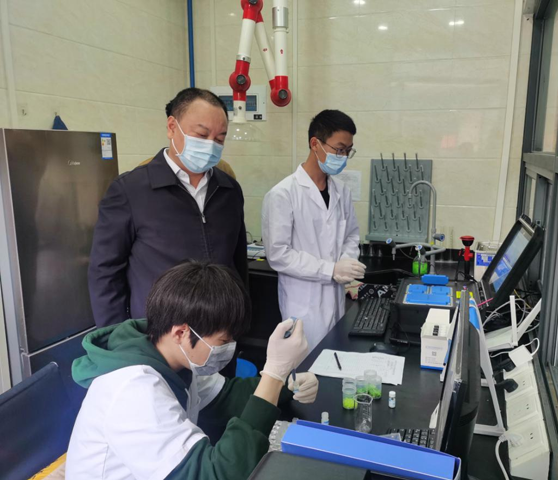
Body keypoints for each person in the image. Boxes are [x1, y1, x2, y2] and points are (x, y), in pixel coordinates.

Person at [66, 260, 318, 479]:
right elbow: (214, 474)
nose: (230, 348)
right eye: (223, 341)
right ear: (181, 333)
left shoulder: (172, 358)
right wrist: (273, 373)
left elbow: (226, 397)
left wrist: (285, 383)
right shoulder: (133, 390)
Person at [89, 88, 248, 328]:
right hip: (158, 335)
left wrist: (241, 320)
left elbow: (238, 263)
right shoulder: (130, 190)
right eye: (201, 135)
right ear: (172, 127)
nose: (210, 146)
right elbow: (105, 273)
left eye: (219, 139)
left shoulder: (229, 190)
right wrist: (118, 336)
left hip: (219, 330)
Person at [262, 110, 365, 352]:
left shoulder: (341, 191)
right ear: (315, 144)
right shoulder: (283, 194)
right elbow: (278, 255)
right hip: (303, 304)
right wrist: (330, 270)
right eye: (339, 149)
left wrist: (346, 262)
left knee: (333, 360)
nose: (343, 157)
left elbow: (351, 234)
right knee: (303, 366)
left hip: (336, 299)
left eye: (348, 151)